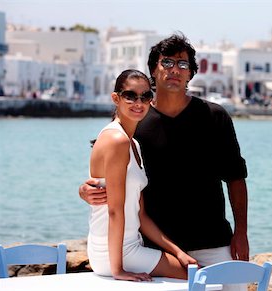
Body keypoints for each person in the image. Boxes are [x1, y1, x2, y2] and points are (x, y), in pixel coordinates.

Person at [80, 34, 249, 290]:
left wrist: (241, 233)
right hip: (154, 249)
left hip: (213, 243)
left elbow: (236, 177)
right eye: (167, 62)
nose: (174, 70)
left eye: (183, 64)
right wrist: (86, 189)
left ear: (191, 73)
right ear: (152, 70)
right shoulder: (134, 121)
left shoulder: (215, 117)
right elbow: (105, 167)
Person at [87, 69, 196, 282]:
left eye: (146, 96)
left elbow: (141, 216)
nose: (139, 102)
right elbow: (115, 211)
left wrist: (178, 252)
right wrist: (118, 270)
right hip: (115, 252)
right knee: (196, 278)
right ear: (116, 98)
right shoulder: (116, 140)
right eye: (130, 96)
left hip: (129, 246)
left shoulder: (133, 144)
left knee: (191, 270)